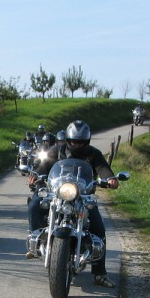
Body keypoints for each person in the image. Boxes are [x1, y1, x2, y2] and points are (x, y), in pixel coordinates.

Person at [26, 120, 119, 288]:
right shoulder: (57, 151)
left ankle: (100, 273)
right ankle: (37, 241)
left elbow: (102, 168)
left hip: (83, 196)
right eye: (74, 141)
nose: (77, 144)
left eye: (81, 142)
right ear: (68, 140)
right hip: (58, 193)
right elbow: (44, 165)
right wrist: (36, 174)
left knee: (98, 228)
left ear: (87, 141)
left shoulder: (93, 154)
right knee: (35, 204)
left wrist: (110, 178)